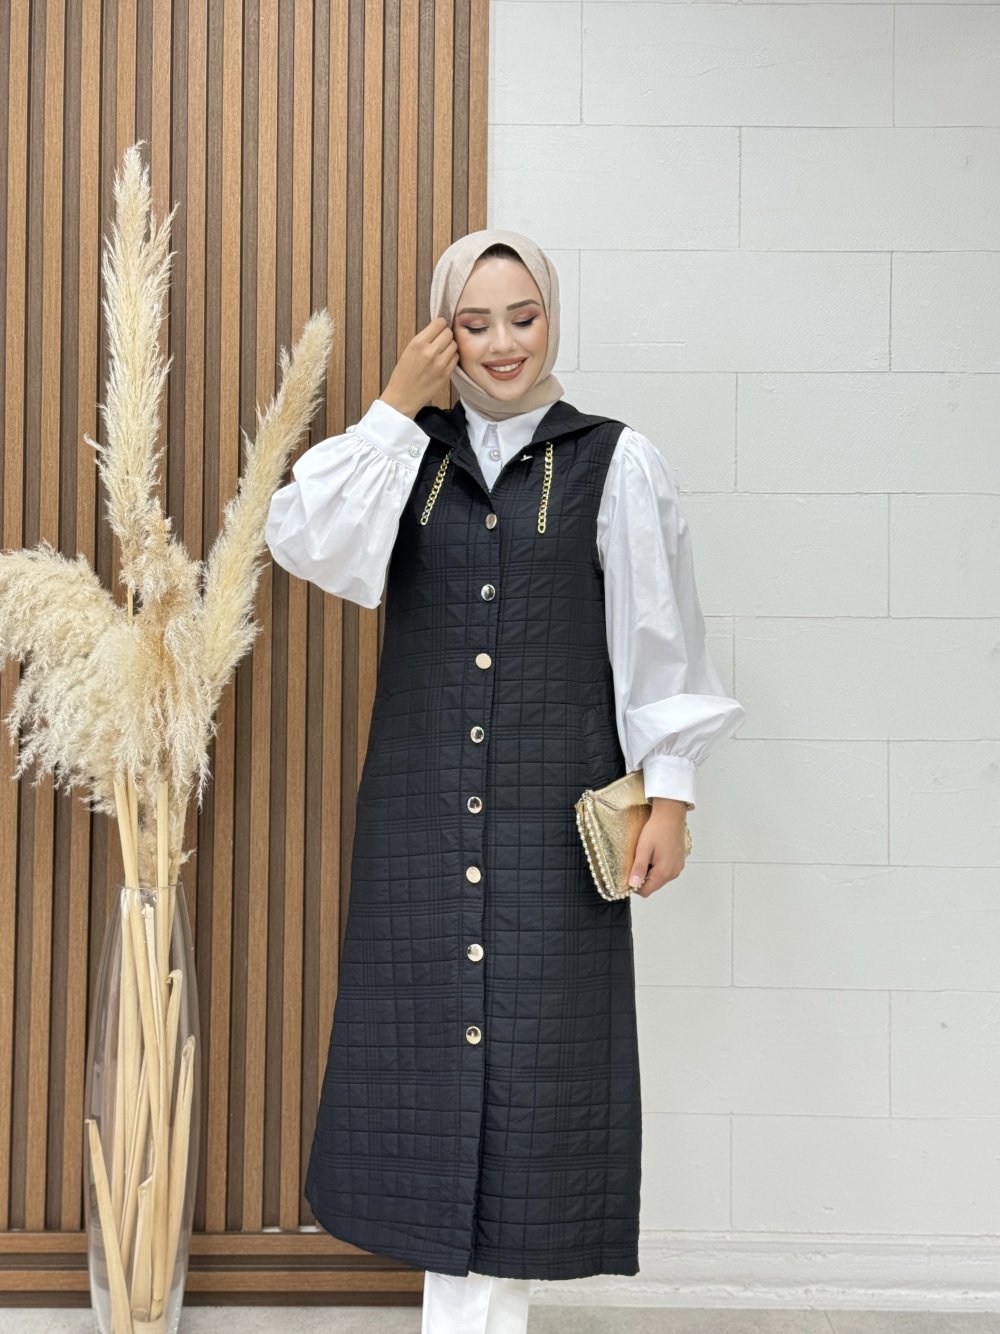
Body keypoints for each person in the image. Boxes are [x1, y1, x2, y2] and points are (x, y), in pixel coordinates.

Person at [264, 228, 746, 1334]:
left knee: (535, 1072)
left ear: (552, 316)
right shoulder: (407, 458)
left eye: (522, 317)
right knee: (427, 1068)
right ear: (445, 333)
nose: (502, 343)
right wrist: (395, 404)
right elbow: (305, 541)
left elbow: (659, 638)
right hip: (421, 823)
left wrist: (671, 792)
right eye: (473, 323)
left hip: (548, 826)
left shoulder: (615, 462)